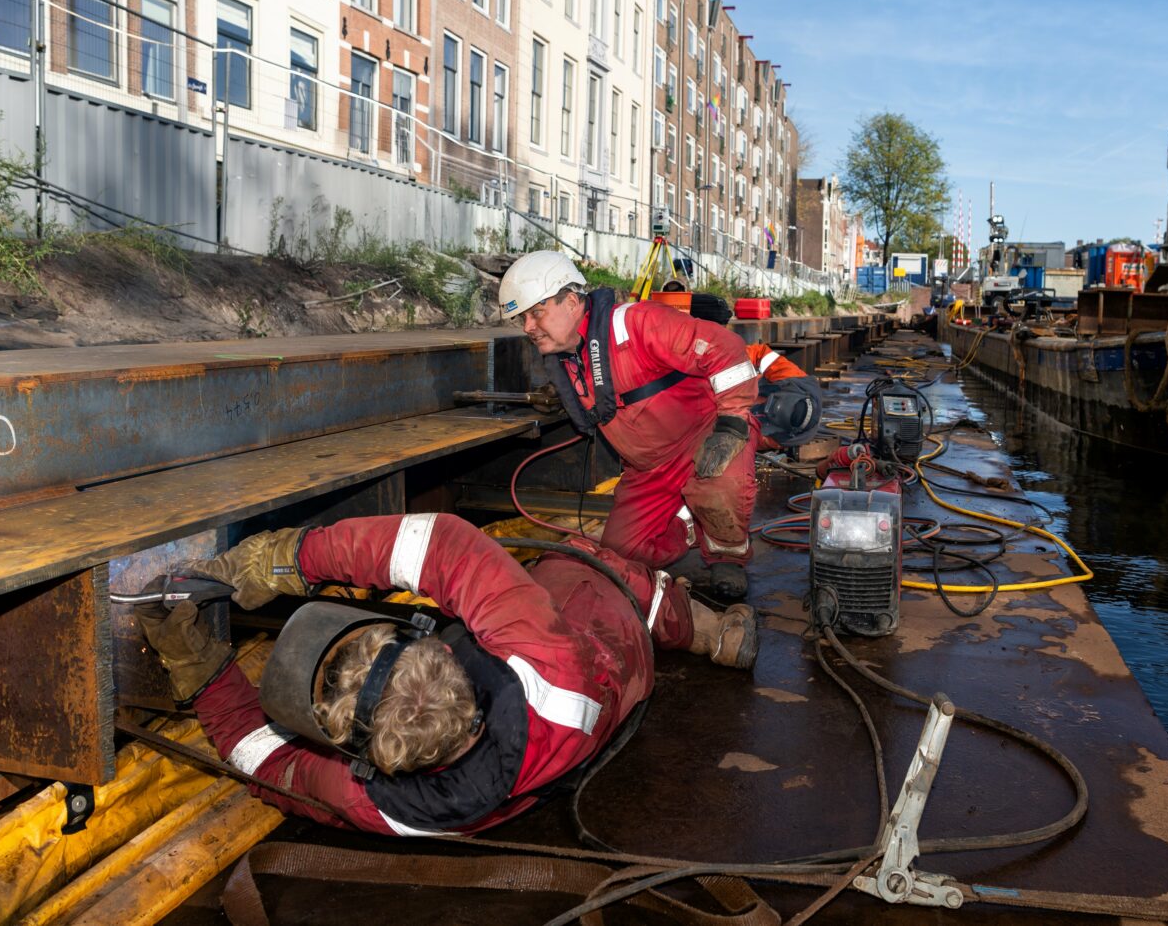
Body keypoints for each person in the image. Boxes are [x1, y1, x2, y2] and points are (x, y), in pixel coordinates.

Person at [137, 514, 758, 836]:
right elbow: (443, 546)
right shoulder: (542, 659)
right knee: (591, 561)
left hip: (575, 714)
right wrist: (291, 557)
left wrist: (196, 665)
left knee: (581, 565)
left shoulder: (382, 804)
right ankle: (707, 632)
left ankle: (699, 628)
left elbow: (264, 764)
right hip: (607, 660)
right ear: (432, 653)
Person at [500, 251, 760, 600]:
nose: (528, 327)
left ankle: (727, 556)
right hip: (649, 469)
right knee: (620, 560)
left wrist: (731, 423)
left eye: (536, 313)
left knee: (720, 485)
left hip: (704, 439)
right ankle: (688, 524)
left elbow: (724, 348)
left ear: (572, 301)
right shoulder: (568, 358)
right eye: (522, 319)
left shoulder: (636, 324)